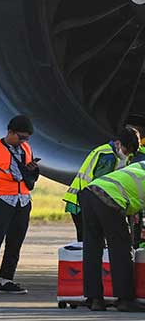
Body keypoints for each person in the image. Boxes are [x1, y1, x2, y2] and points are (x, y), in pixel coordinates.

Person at [0, 114, 39, 294]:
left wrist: (33, 170)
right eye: (20, 137)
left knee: (15, 241)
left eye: (26, 138)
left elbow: (31, 177)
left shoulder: (26, 148)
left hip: (23, 200)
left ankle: (6, 280)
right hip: (2, 199)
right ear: (10, 132)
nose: (23, 141)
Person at [80, 162, 145, 312]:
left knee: (92, 248)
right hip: (110, 199)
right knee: (120, 248)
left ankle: (94, 298)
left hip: (89, 192)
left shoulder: (140, 165)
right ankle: (124, 299)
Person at [63, 126, 140, 242]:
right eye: (126, 150)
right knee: (90, 242)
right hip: (81, 203)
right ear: (118, 143)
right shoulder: (107, 156)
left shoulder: (124, 157)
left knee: (95, 243)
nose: (128, 154)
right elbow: (101, 188)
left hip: (90, 201)